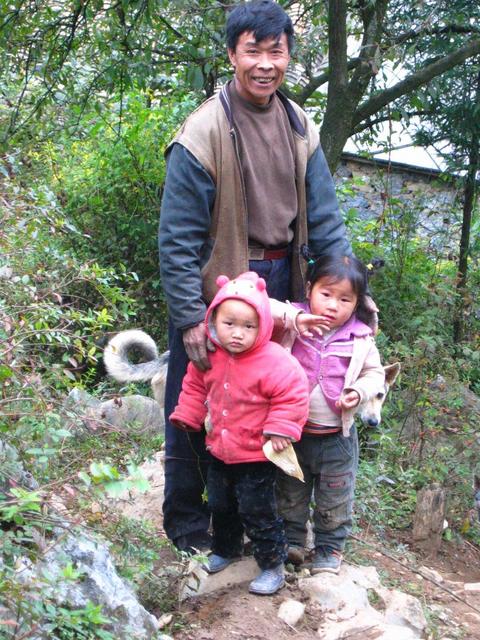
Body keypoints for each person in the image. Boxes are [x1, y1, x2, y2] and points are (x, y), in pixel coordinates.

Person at [158, 0, 351, 553]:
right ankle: (190, 530)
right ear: (231, 55)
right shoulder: (202, 132)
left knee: (270, 405)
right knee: (195, 405)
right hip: (219, 294)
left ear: (289, 55)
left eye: (277, 51)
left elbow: (327, 219)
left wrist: (344, 294)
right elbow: (177, 241)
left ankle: (252, 530)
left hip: (282, 286)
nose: (265, 63)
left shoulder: (299, 126)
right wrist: (191, 318)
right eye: (253, 50)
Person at [169, 271, 309, 595]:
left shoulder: (275, 361)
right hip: (220, 449)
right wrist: (187, 414)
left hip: (256, 453)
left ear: (263, 325)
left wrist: (280, 429)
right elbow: (193, 386)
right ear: (213, 319)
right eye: (229, 323)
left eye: (249, 326)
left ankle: (272, 563)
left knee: (257, 509)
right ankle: (226, 548)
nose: (238, 334)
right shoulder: (209, 357)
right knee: (220, 503)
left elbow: (293, 393)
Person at [272, 252, 385, 574]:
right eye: (325, 294)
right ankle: (292, 542)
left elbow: (375, 374)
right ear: (309, 289)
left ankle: (329, 549)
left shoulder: (361, 337)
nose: (333, 305)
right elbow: (261, 309)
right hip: (293, 433)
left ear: (358, 302)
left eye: (345, 299)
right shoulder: (292, 321)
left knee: (334, 497)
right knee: (290, 491)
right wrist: (292, 319)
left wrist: (358, 392)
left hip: (337, 437)